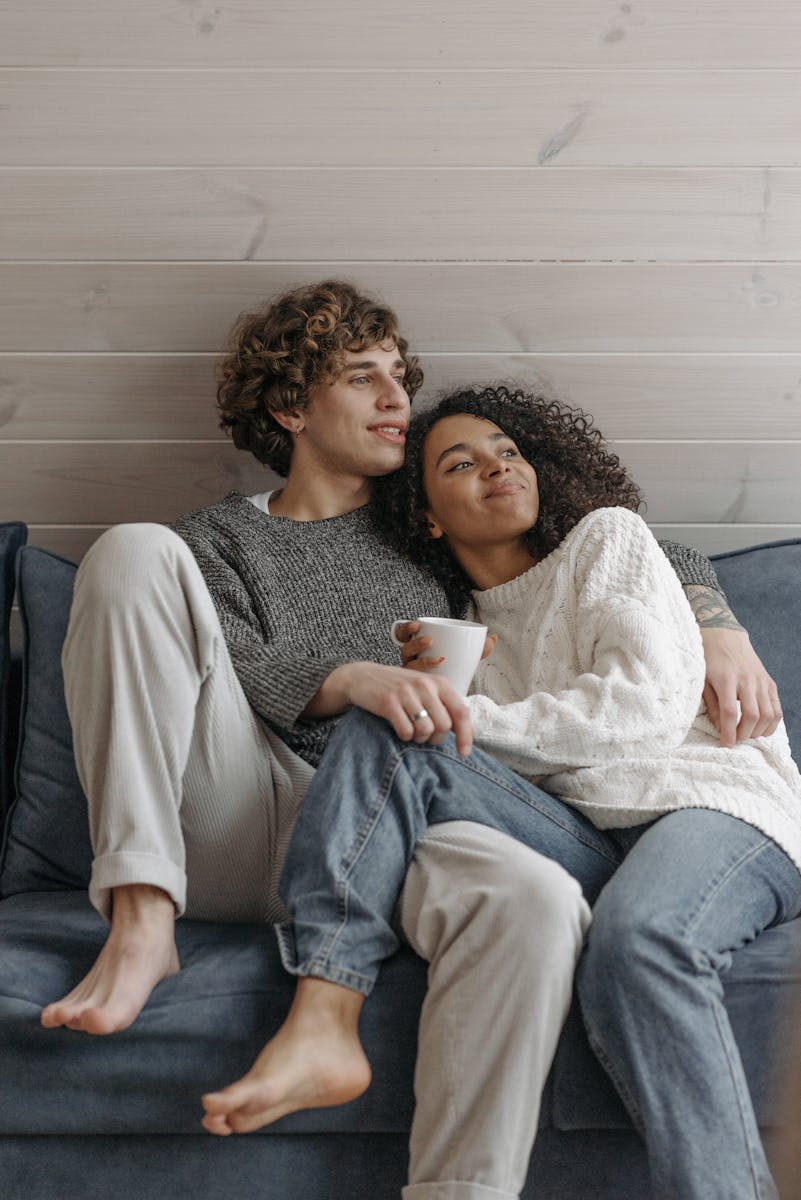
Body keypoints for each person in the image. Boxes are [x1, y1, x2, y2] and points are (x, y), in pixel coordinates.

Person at [37, 281, 782, 1199]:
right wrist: (346, 680)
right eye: (363, 378)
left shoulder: (429, 522)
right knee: (132, 549)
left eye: (399, 375)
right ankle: (142, 914)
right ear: (291, 407)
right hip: (241, 802)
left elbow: (603, 543)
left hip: (406, 817)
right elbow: (231, 665)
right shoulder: (218, 542)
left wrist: (716, 620)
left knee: (541, 900)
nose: (397, 399)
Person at [248, 383, 801, 1200]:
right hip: (589, 834)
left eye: (508, 452)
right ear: (427, 515)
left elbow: (640, 711)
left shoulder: (606, 541)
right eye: (460, 463)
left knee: (639, 941)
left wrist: (461, 712)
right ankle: (324, 1008)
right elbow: (474, 754)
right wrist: (421, 695)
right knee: (388, 716)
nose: (497, 469)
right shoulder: (456, 632)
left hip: (710, 804)